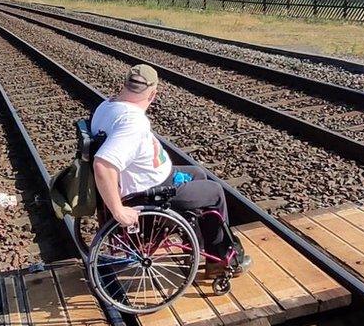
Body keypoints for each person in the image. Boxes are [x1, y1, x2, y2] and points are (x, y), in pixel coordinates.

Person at [91, 64, 250, 276]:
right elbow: (102, 165)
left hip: (155, 179)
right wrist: (118, 210)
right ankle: (221, 261)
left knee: (198, 173)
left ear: (125, 85)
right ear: (153, 93)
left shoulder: (107, 105)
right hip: (150, 191)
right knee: (214, 192)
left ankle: (201, 246)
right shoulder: (133, 123)